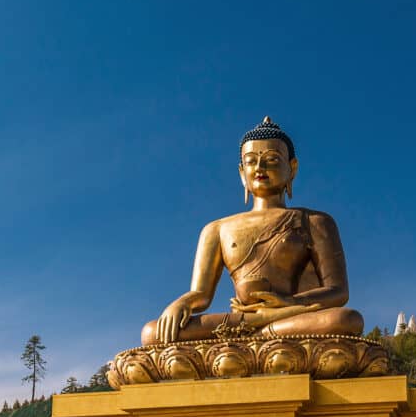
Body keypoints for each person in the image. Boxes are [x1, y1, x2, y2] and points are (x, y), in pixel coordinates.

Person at [141, 117, 363, 346]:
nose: (260, 168)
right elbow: (201, 294)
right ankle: (254, 335)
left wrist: (285, 305)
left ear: (292, 169)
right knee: (152, 333)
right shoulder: (217, 229)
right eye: (251, 161)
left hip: (294, 317)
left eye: (272, 159)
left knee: (346, 319)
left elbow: (337, 292)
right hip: (241, 320)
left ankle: (251, 339)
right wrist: (182, 303)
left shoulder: (314, 221)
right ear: (241, 172)